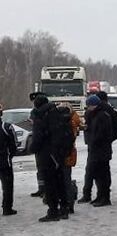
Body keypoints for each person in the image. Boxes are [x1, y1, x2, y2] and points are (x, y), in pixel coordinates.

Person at [30, 94, 74, 222]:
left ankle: (53, 210)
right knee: (60, 181)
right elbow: (69, 134)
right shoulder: (59, 114)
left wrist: (32, 149)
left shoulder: (40, 117)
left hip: (46, 154)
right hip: (59, 154)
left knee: (49, 183)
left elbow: (38, 138)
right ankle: (64, 207)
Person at [82, 95, 113, 207]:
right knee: (97, 174)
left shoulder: (102, 116)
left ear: (93, 105)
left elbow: (102, 134)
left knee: (102, 175)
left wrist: (93, 141)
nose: (88, 108)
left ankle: (105, 197)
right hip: (97, 150)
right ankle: (100, 196)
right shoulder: (96, 115)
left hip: (101, 150)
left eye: (89, 106)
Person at [58, 103, 81, 214]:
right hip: (70, 154)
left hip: (63, 156)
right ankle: (70, 203)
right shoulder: (71, 122)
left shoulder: (62, 125)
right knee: (67, 179)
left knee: (64, 181)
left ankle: (67, 204)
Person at [28, 90, 46, 198]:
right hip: (38, 143)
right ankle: (41, 188)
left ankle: (45, 189)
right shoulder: (34, 111)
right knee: (40, 169)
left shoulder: (45, 112)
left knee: (44, 168)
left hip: (43, 144)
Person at [0, 103, 17, 215]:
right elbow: (14, 144)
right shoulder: (6, 126)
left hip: (4, 159)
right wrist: (9, 155)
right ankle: (7, 208)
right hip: (4, 161)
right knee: (7, 185)